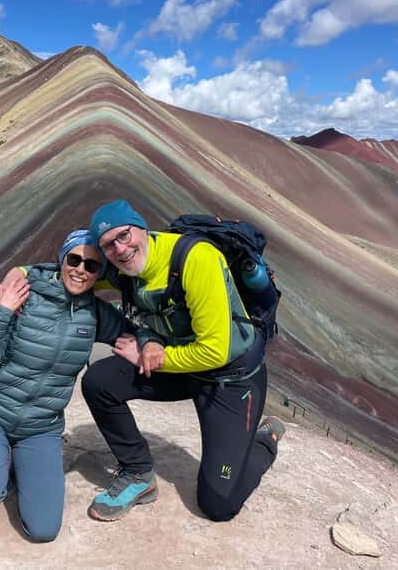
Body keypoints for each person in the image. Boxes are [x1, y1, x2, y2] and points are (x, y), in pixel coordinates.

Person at [82, 199, 285, 522]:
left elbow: (216, 351)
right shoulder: (123, 269)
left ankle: (263, 442)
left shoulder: (196, 259)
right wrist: (22, 274)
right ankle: (138, 474)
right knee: (99, 382)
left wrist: (148, 354)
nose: (120, 249)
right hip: (183, 369)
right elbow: (74, 270)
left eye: (124, 235)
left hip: (230, 380)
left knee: (218, 504)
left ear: (141, 228)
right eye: (108, 245)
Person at [0, 229, 155, 542]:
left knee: (44, 530)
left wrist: (147, 344)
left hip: (41, 427)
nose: (80, 269)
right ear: (62, 259)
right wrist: (0, 311)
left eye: (92, 266)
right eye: (74, 259)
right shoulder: (25, 293)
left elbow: (136, 330)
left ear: (99, 274)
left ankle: (12, 462)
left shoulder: (95, 314)